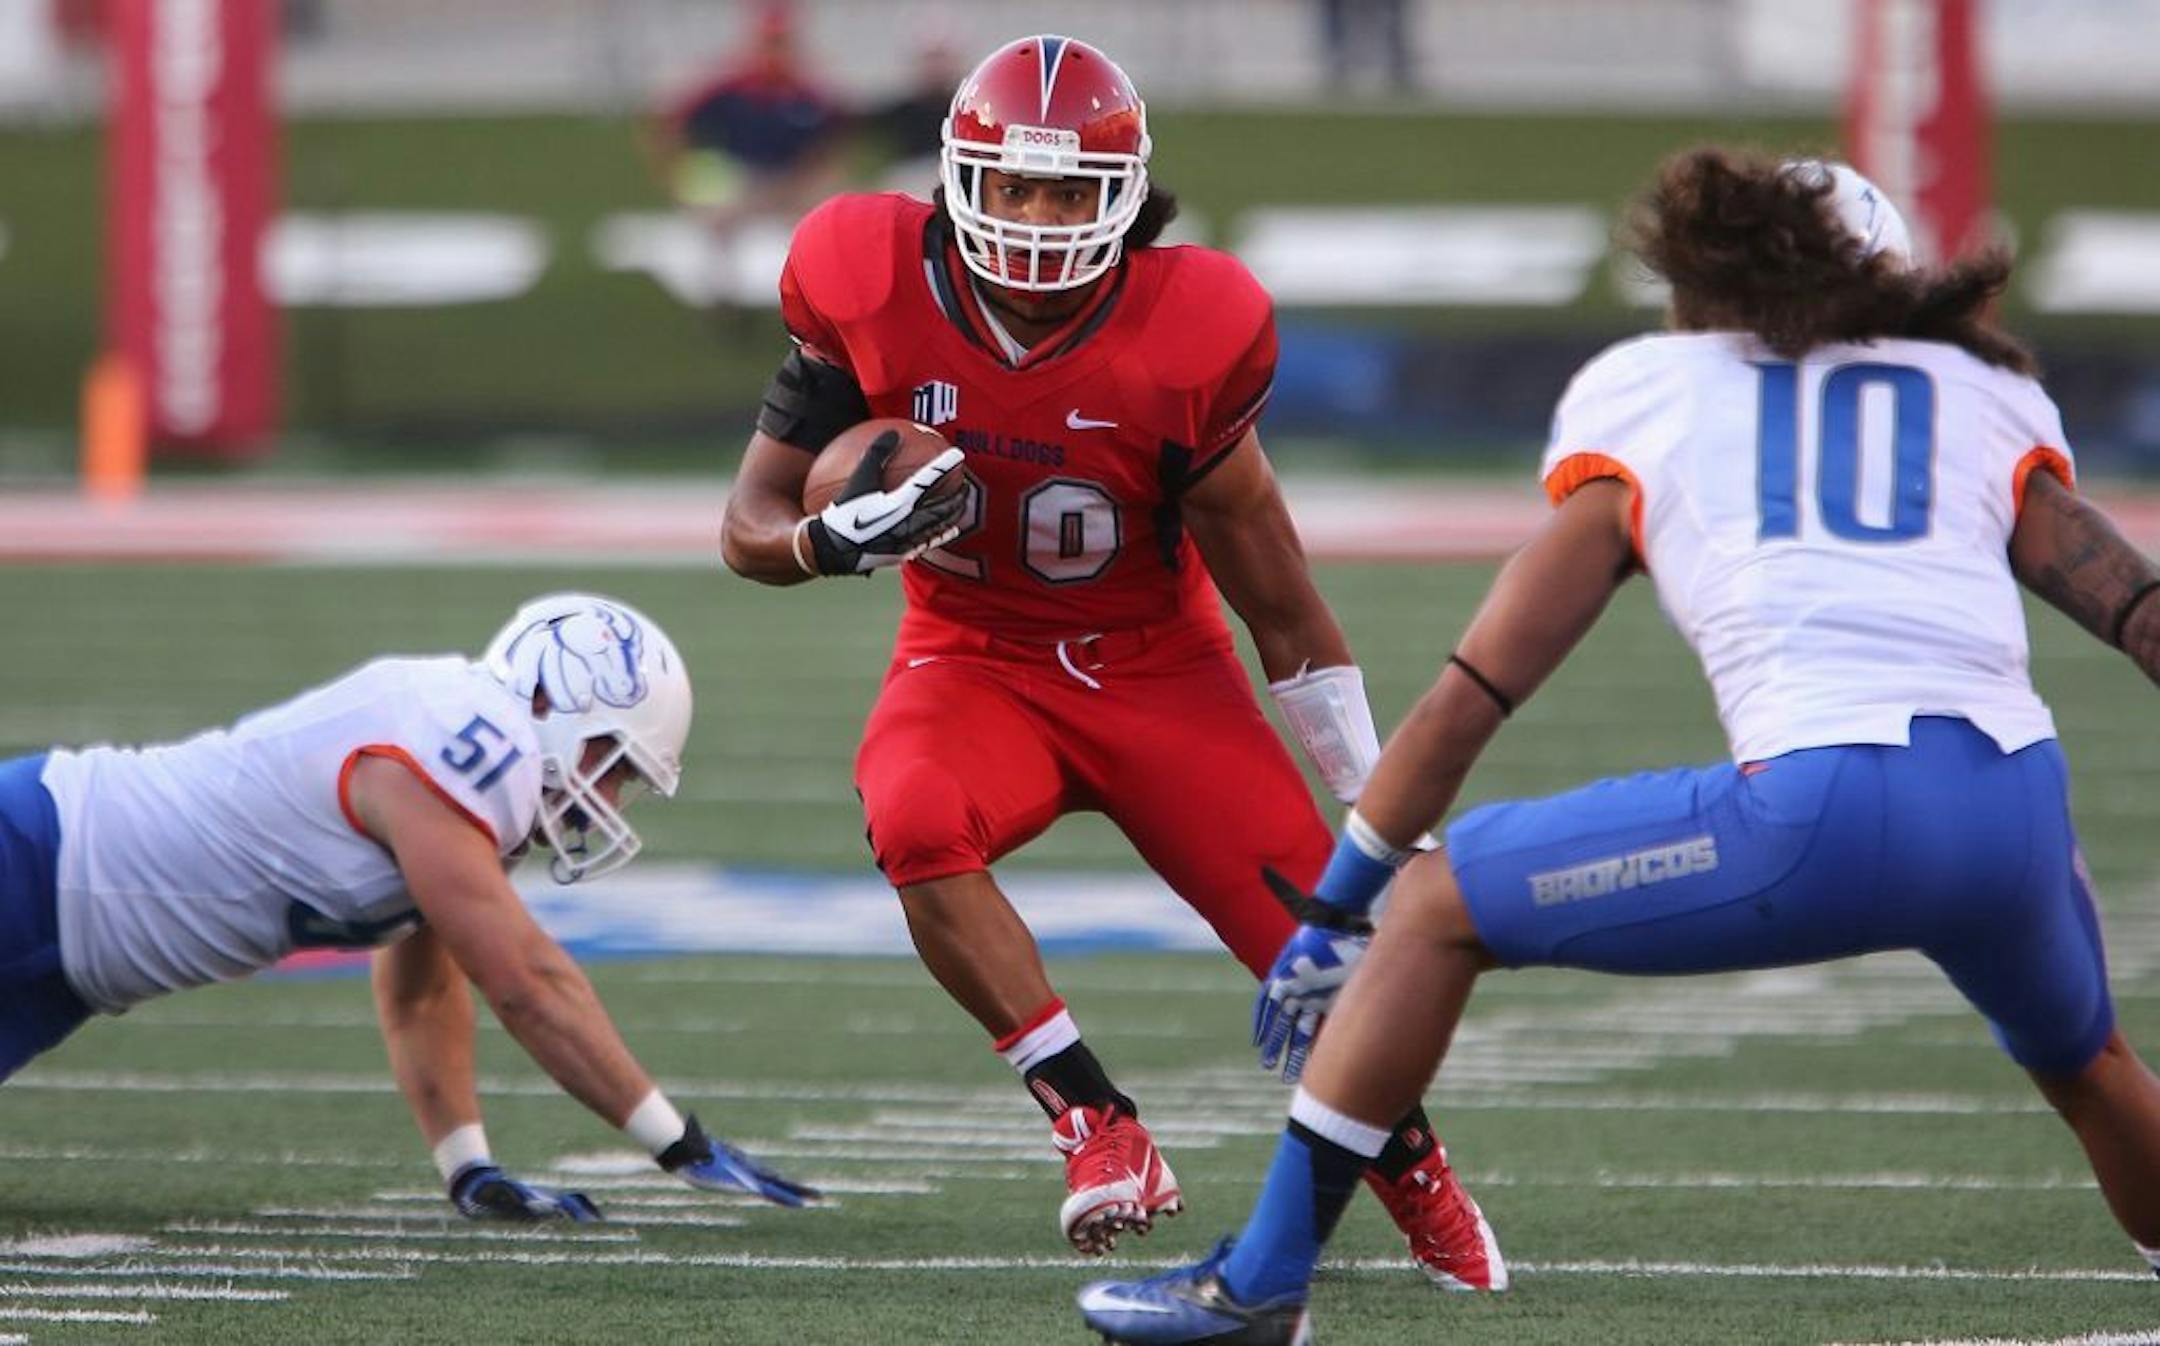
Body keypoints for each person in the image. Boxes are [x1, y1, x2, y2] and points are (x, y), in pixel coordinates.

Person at [1076, 148, 2160, 1344]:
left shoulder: (1656, 391)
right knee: (2092, 1063)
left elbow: (1474, 691)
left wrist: (1339, 906)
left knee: (1434, 908)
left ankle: (1262, 1285)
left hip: (1833, 805)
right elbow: (2133, 607)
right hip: (2015, 808)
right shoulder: (1972, 390)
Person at [718, 33, 1504, 1290]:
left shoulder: (1191, 329)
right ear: (958, 178)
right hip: (972, 654)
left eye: (1072, 191)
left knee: (1320, 952)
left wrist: (1374, 808)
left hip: (1158, 671)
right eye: (1015, 186)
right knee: (912, 811)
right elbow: (746, 529)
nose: (1038, 219)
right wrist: (825, 540)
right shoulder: (862, 275)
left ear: (1125, 197)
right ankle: (1097, 1120)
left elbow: (1283, 604)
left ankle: (1418, 1175)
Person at [1, 592, 816, 1221]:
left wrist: (470, 1169)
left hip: (68, 973)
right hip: (30, 859)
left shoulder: (467, 766)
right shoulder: (470, 736)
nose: (609, 798)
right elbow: (528, 983)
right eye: (613, 763)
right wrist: (677, 1143)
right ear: (556, 701)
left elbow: (421, 989)